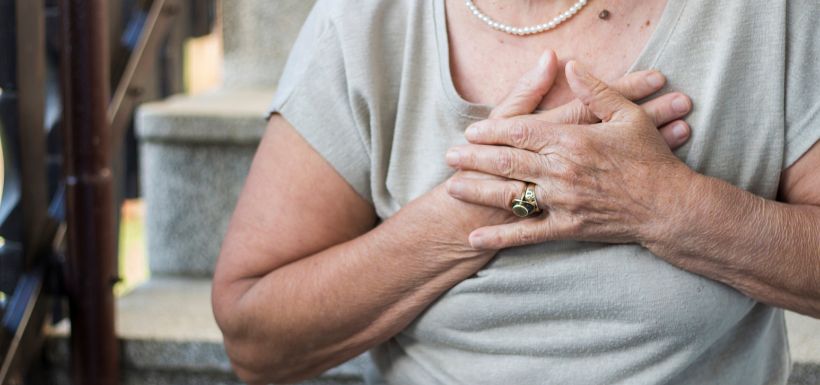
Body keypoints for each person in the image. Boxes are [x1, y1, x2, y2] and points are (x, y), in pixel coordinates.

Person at [211, 0, 820, 384]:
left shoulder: (772, 14)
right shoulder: (365, 22)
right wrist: (478, 204)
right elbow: (256, 338)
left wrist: (663, 205)